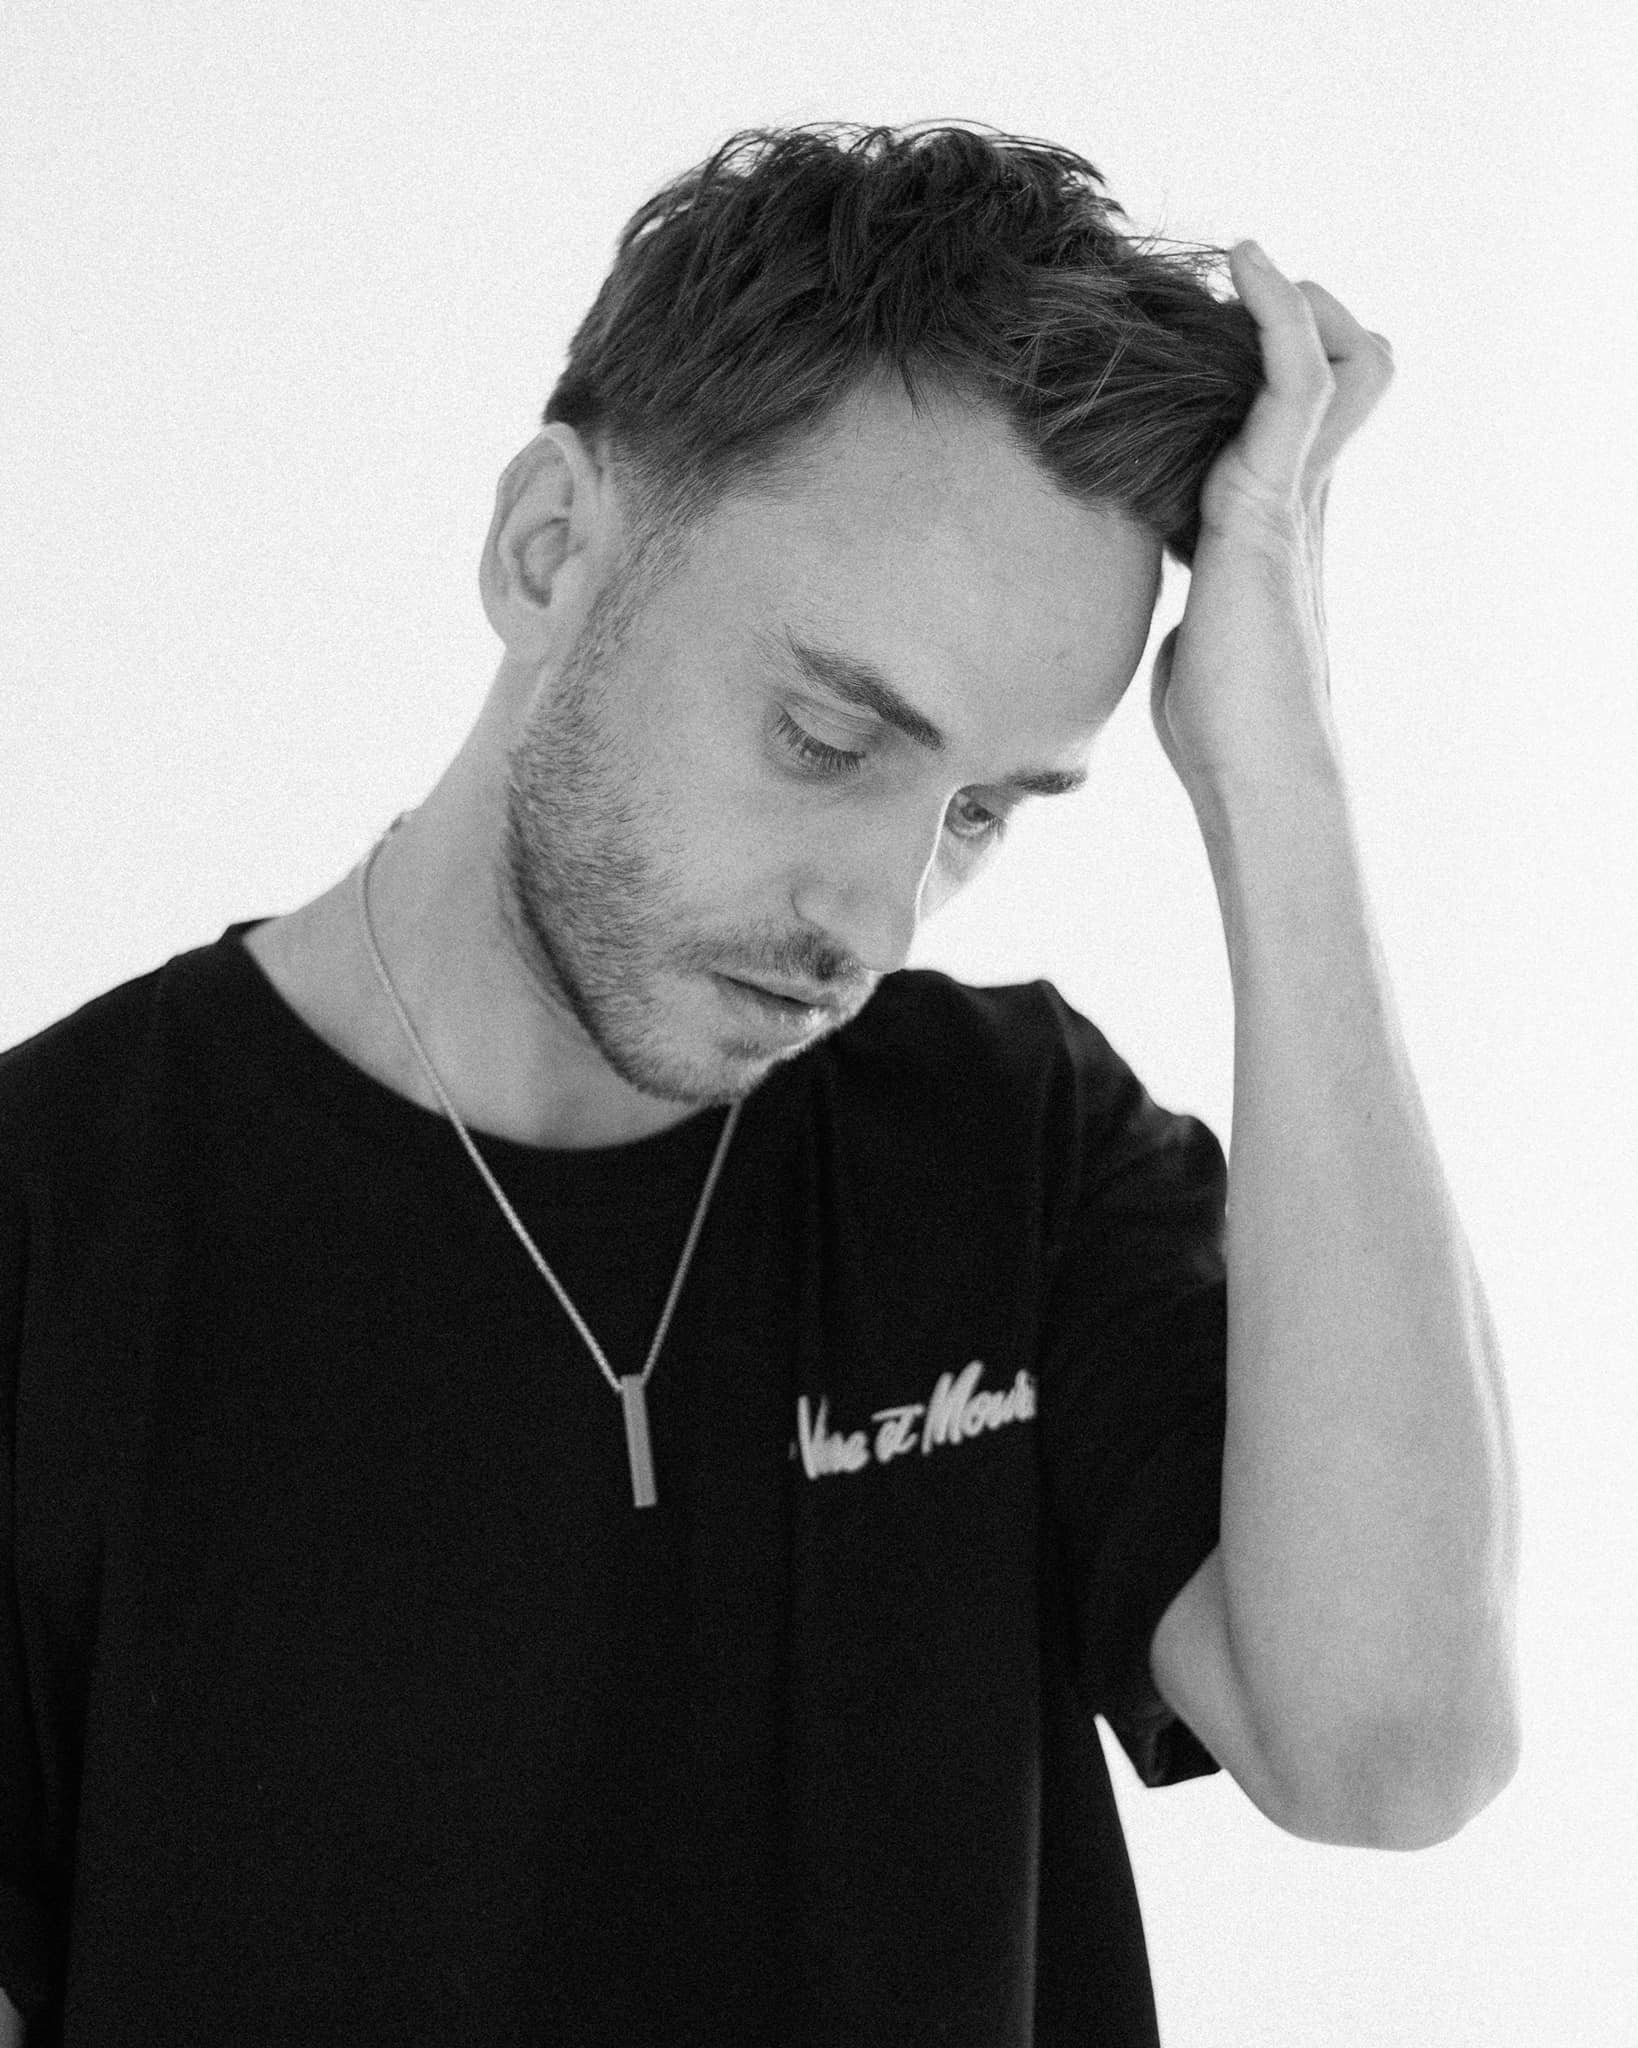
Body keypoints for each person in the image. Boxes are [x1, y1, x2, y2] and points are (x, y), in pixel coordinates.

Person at [0, 123, 1520, 2046]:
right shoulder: (53, 1228)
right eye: (822, 737)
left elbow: (1388, 1749)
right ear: (549, 549)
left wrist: (1270, 763)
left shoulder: (1009, 1145)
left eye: (979, 810)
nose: (876, 918)